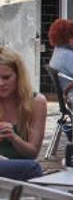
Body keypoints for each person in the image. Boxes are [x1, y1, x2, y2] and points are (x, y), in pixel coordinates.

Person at [0, 48, 45, 180]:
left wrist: (14, 138)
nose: (1, 83)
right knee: (33, 169)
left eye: (6, 77)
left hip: (18, 167)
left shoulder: (36, 102)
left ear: (19, 76)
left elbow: (32, 153)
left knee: (31, 167)